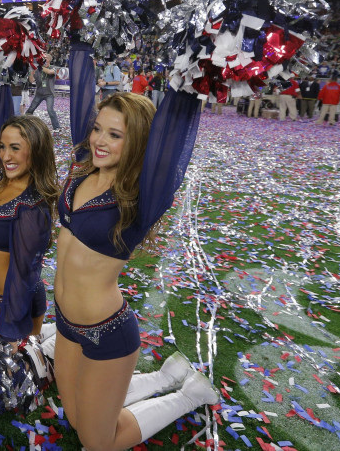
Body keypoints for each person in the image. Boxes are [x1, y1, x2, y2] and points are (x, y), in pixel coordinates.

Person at [54, 43, 218, 451]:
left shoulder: (142, 196)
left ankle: (188, 395)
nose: (99, 141)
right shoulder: (83, 166)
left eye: (115, 135)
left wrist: (195, 60)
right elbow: (80, 91)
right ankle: (164, 377)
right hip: (64, 321)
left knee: (98, 441)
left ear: (140, 142)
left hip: (105, 332)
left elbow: (175, 132)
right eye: (98, 129)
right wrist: (78, 39)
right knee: (76, 418)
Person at [0, 114, 58, 342]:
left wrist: (11, 330)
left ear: (37, 152)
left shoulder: (32, 207)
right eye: (2, 147)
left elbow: (23, 276)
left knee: (17, 371)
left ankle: (49, 339)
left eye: (15, 148)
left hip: (15, 304)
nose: (5, 156)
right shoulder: (0, 180)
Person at [25, 54, 61, 132]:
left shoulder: (52, 68)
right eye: (43, 58)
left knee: (50, 110)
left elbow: (49, 72)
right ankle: (26, 124)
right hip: (39, 93)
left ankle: (57, 127)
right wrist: (31, 70)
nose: (45, 59)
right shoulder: (37, 69)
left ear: (50, 60)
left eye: (46, 58)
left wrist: (38, 66)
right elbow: (31, 81)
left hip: (49, 94)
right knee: (30, 110)